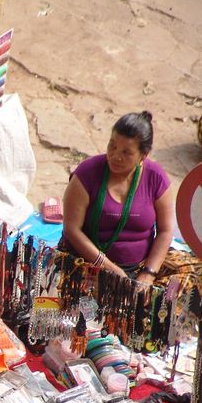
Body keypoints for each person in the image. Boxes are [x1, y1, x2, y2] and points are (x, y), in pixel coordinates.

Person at [61, 111, 174, 286]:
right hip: (89, 263)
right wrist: (107, 266)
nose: (115, 156)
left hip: (141, 267)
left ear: (144, 155)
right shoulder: (86, 174)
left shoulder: (155, 177)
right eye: (112, 146)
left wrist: (149, 273)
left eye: (126, 152)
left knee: (181, 292)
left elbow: (166, 231)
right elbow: (72, 229)